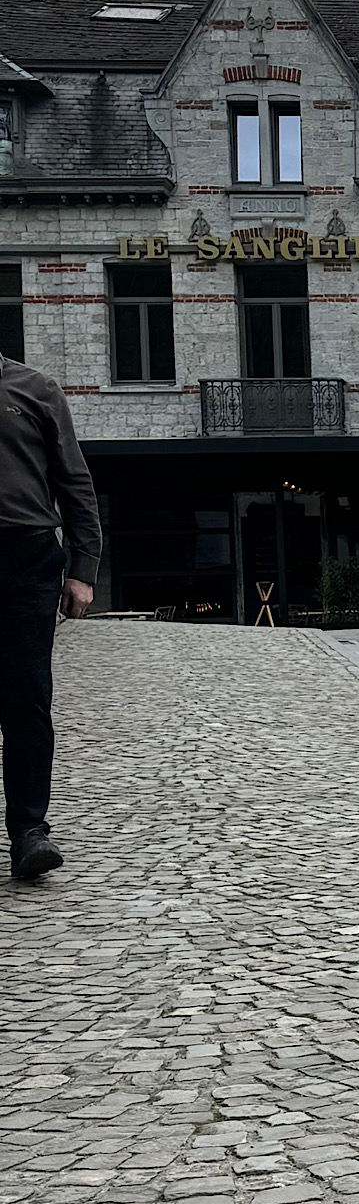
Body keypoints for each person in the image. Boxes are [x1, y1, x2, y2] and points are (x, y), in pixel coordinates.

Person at [0, 341, 101, 880]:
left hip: (26, 557)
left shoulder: (36, 390)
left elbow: (73, 480)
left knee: (26, 696)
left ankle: (29, 834)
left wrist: (83, 568)